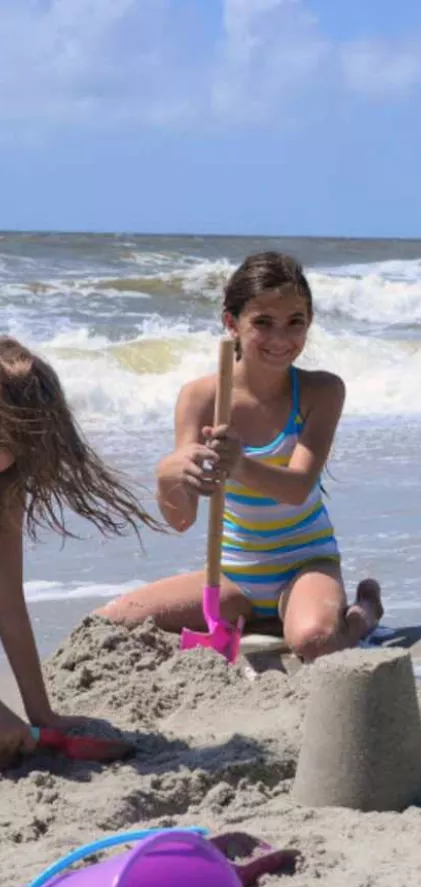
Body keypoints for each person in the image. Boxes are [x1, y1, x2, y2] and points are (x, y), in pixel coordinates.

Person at [99, 252, 383, 661]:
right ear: (231, 323)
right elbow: (181, 519)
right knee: (110, 621)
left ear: (310, 322)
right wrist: (168, 475)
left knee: (314, 642)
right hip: (231, 574)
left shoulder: (323, 391)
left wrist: (240, 464)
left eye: (295, 322)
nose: (281, 338)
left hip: (305, 563)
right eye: (262, 322)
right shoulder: (202, 397)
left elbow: (298, 487)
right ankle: (262, 616)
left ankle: (364, 610)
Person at [0, 336, 160, 768]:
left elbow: (8, 603)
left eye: (12, 443)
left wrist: (41, 715)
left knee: (12, 738)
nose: (4, 454)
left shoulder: (6, 487)